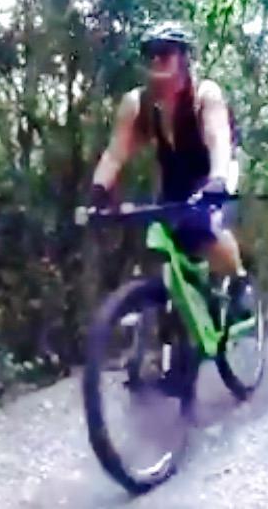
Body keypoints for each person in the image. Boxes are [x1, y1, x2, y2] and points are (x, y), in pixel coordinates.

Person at [88, 20, 250, 319]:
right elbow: (115, 153)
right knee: (159, 234)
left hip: (216, 167)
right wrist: (98, 190)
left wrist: (217, 182)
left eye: (166, 52)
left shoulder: (204, 94)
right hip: (176, 176)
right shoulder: (138, 104)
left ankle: (239, 282)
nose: (157, 59)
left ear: (184, 58)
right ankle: (171, 313)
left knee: (205, 228)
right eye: (151, 53)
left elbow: (218, 140)